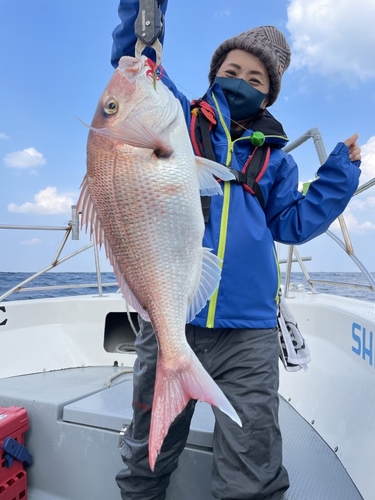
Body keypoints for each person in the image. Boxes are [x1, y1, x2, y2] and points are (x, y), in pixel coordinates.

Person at [111, 2, 362, 499]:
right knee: (147, 449)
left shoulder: (275, 159)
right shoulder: (177, 117)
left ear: (269, 92)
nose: (241, 80)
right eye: (231, 70)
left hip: (248, 333)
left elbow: (292, 222)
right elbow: (136, 66)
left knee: (252, 461)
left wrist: (340, 175)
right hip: (171, 321)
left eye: (255, 76)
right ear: (212, 73)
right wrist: (144, 14)